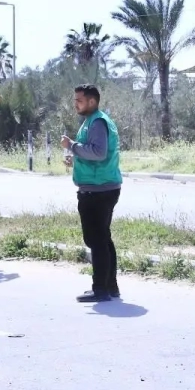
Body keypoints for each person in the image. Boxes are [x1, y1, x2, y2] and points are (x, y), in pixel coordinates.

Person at [61, 84, 122, 303]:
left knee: (96, 240)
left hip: (98, 191)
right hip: (103, 187)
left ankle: (100, 289)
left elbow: (98, 152)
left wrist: (72, 146)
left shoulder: (97, 122)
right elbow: (92, 151)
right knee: (103, 239)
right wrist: (75, 155)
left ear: (92, 102)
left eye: (79, 100)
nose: (75, 104)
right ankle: (110, 287)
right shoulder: (94, 121)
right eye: (75, 100)